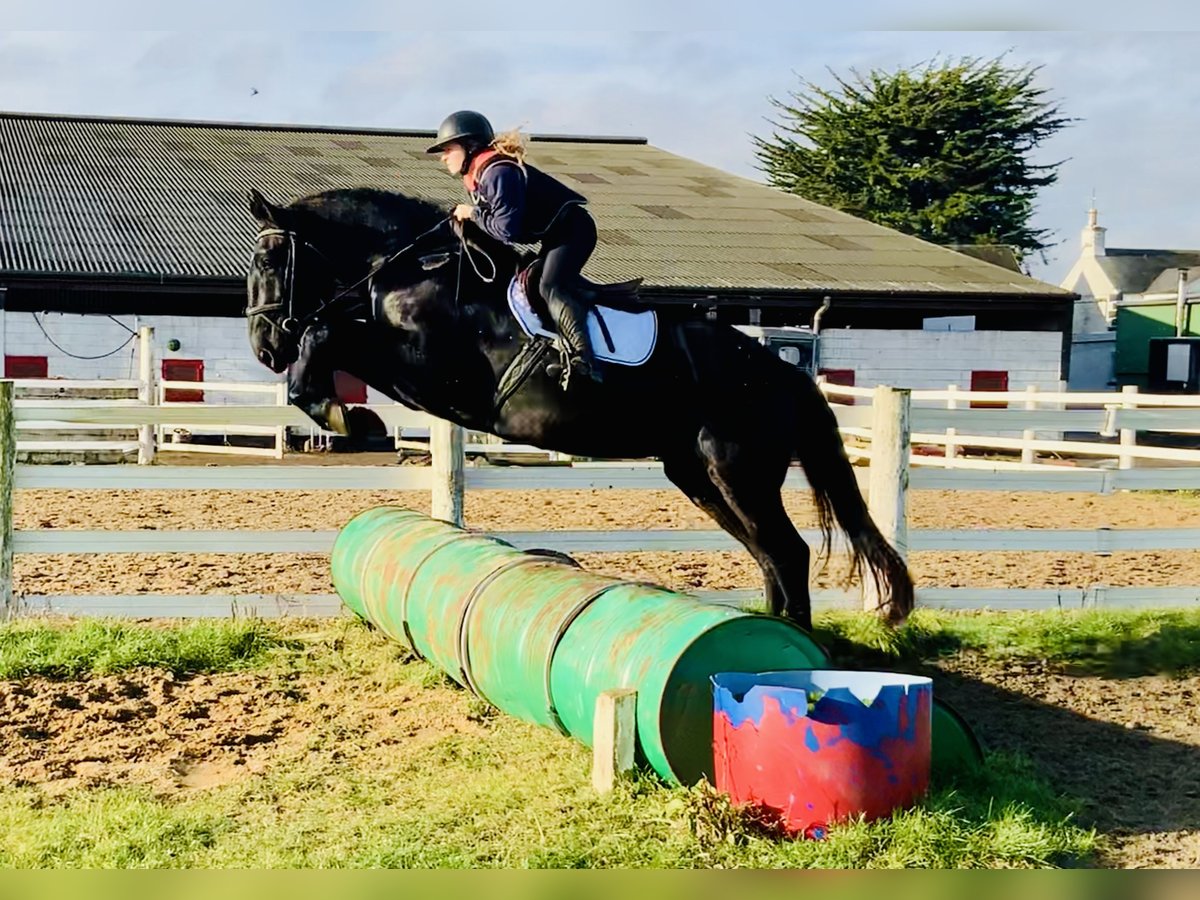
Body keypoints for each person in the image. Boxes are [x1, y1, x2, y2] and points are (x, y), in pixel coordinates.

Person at [427, 110, 603, 387]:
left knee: (550, 286)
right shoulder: (480, 176)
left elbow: (505, 231)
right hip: (555, 235)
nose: (443, 157)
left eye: (448, 149)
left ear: (470, 146)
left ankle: (585, 361)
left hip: (574, 232)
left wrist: (472, 214)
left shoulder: (497, 172)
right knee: (528, 282)